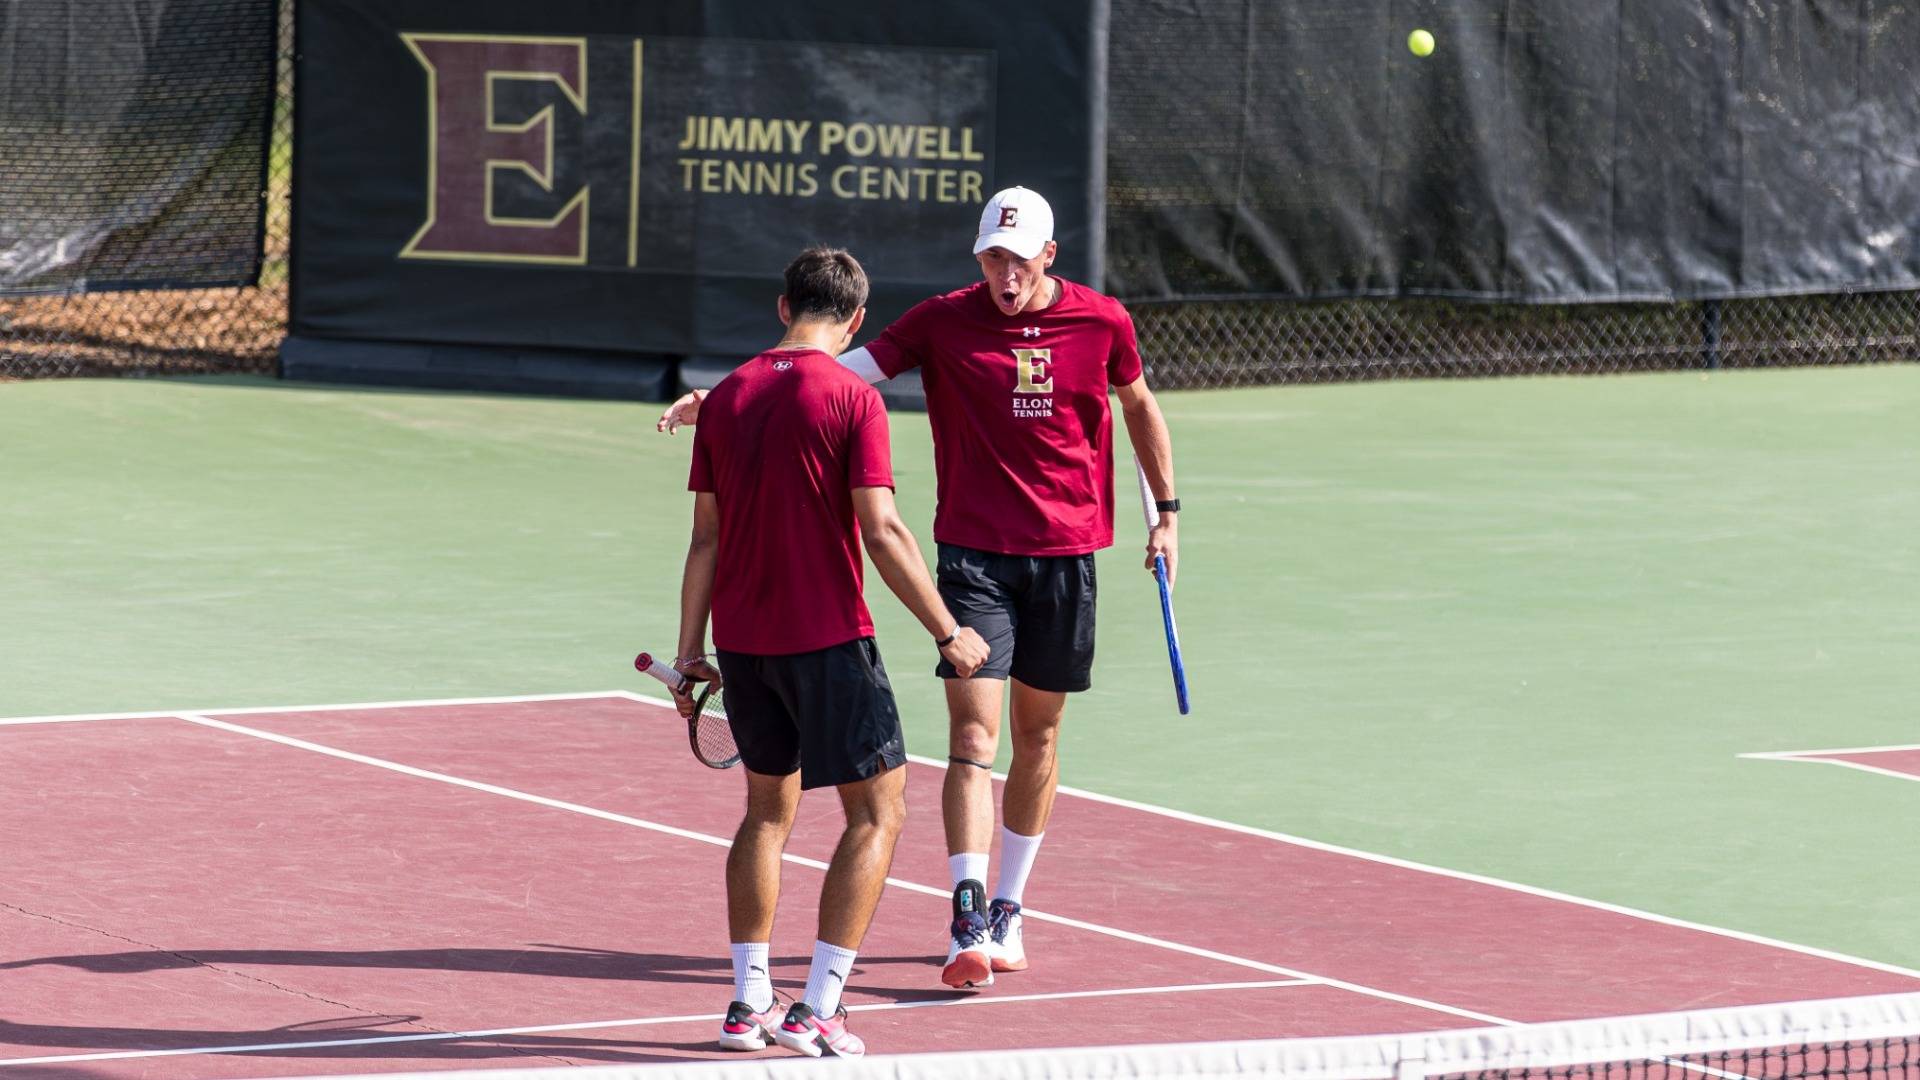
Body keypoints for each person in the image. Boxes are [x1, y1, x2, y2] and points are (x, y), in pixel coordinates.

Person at [660, 187, 1179, 991]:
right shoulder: (941, 320)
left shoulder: (1103, 321)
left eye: (1018, 259)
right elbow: (826, 369)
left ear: (1049, 256)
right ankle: (967, 911)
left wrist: (1167, 514)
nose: (1004, 274)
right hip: (972, 556)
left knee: (1037, 738)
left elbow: (1139, 404)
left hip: (1068, 555)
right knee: (975, 737)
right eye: (991, 258)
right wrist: (724, 394)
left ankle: (1009, 904)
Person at [672, 246, 990, 1058]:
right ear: (855, 320)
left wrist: (691, 653)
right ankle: (818, 1007)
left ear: (783, 308)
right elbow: (882, 530)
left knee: (765, 815)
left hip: (742, 647)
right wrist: (948, 631)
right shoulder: (853, 398)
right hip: (829, 644)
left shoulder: (728, 397)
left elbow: (703, 540)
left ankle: (747, 1005)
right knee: (878, 811)